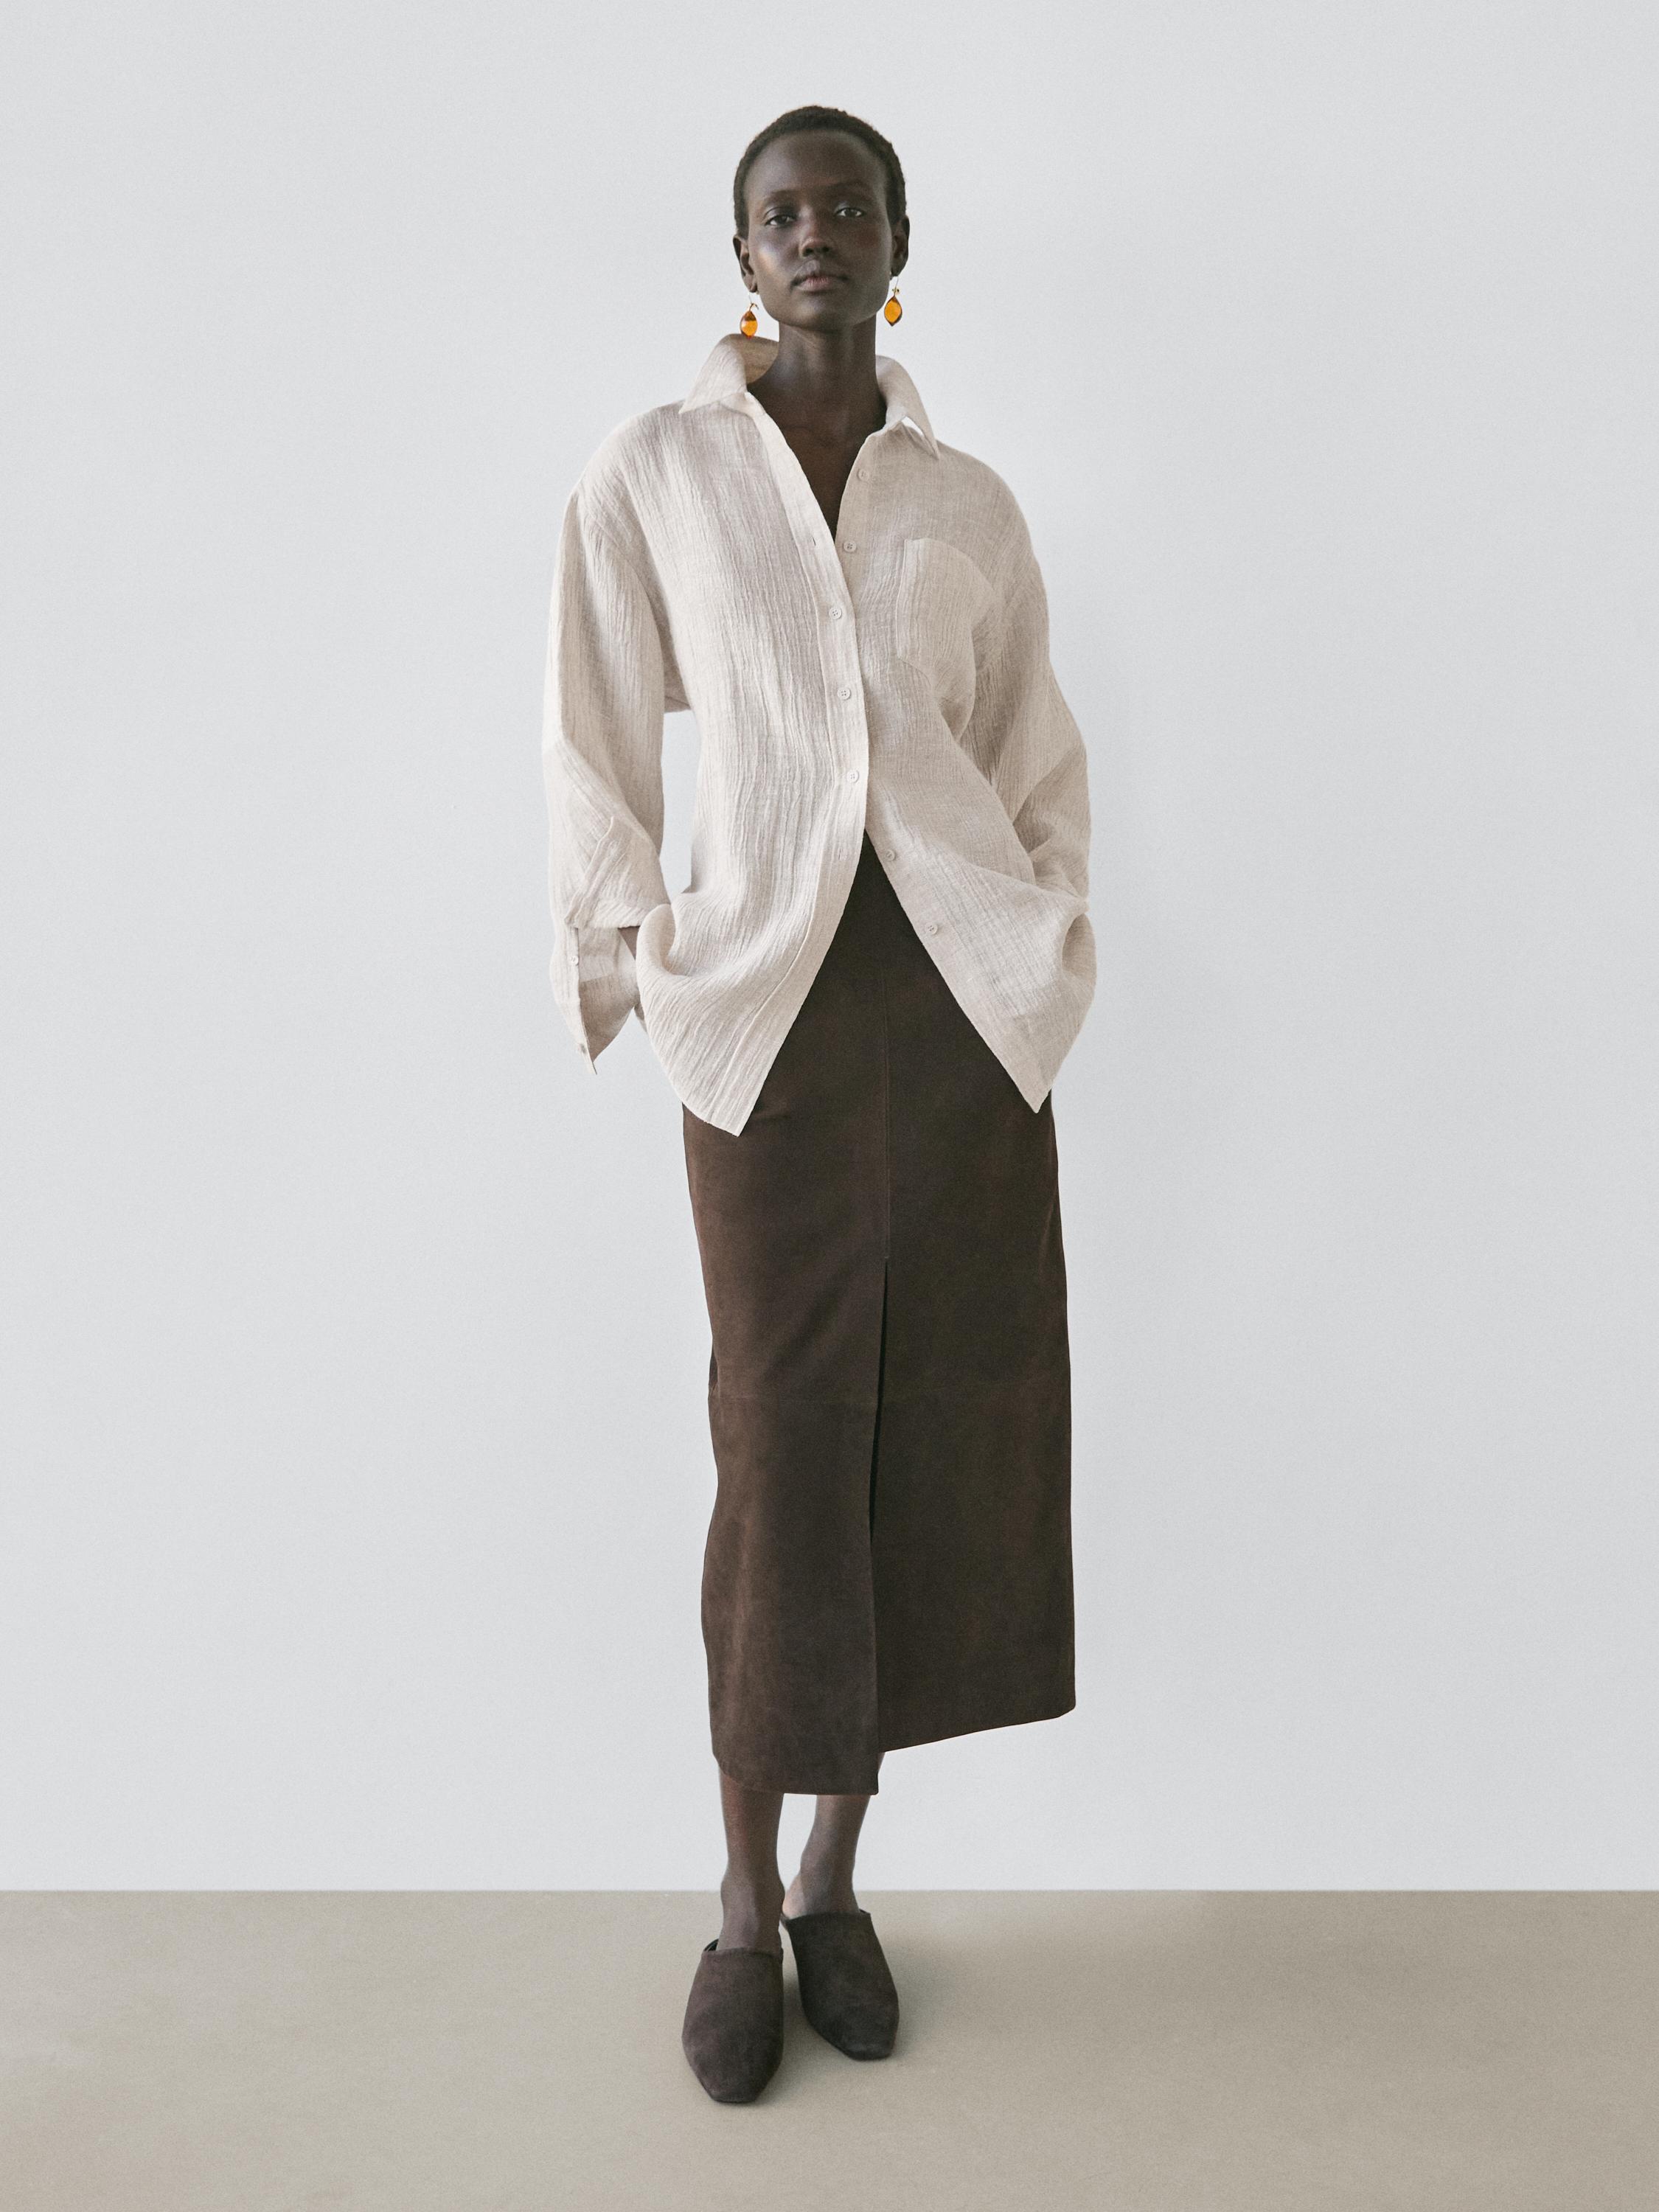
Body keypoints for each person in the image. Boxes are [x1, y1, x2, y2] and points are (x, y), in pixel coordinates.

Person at [541, 103, 1095, 2104]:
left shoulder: (967, 504)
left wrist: (1051, 932)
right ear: (741, 250)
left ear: (898, 243)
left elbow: (1031, 748)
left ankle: (839, 1885)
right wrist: (637, 947)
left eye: (848, 207)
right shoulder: (659, 473)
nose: (815, 236)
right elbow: (591, 731)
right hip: (765, 1006)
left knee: (930, 1436)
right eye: (781, 212)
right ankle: (737, 1909)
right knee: (778, 1441)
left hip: (952, 1006)